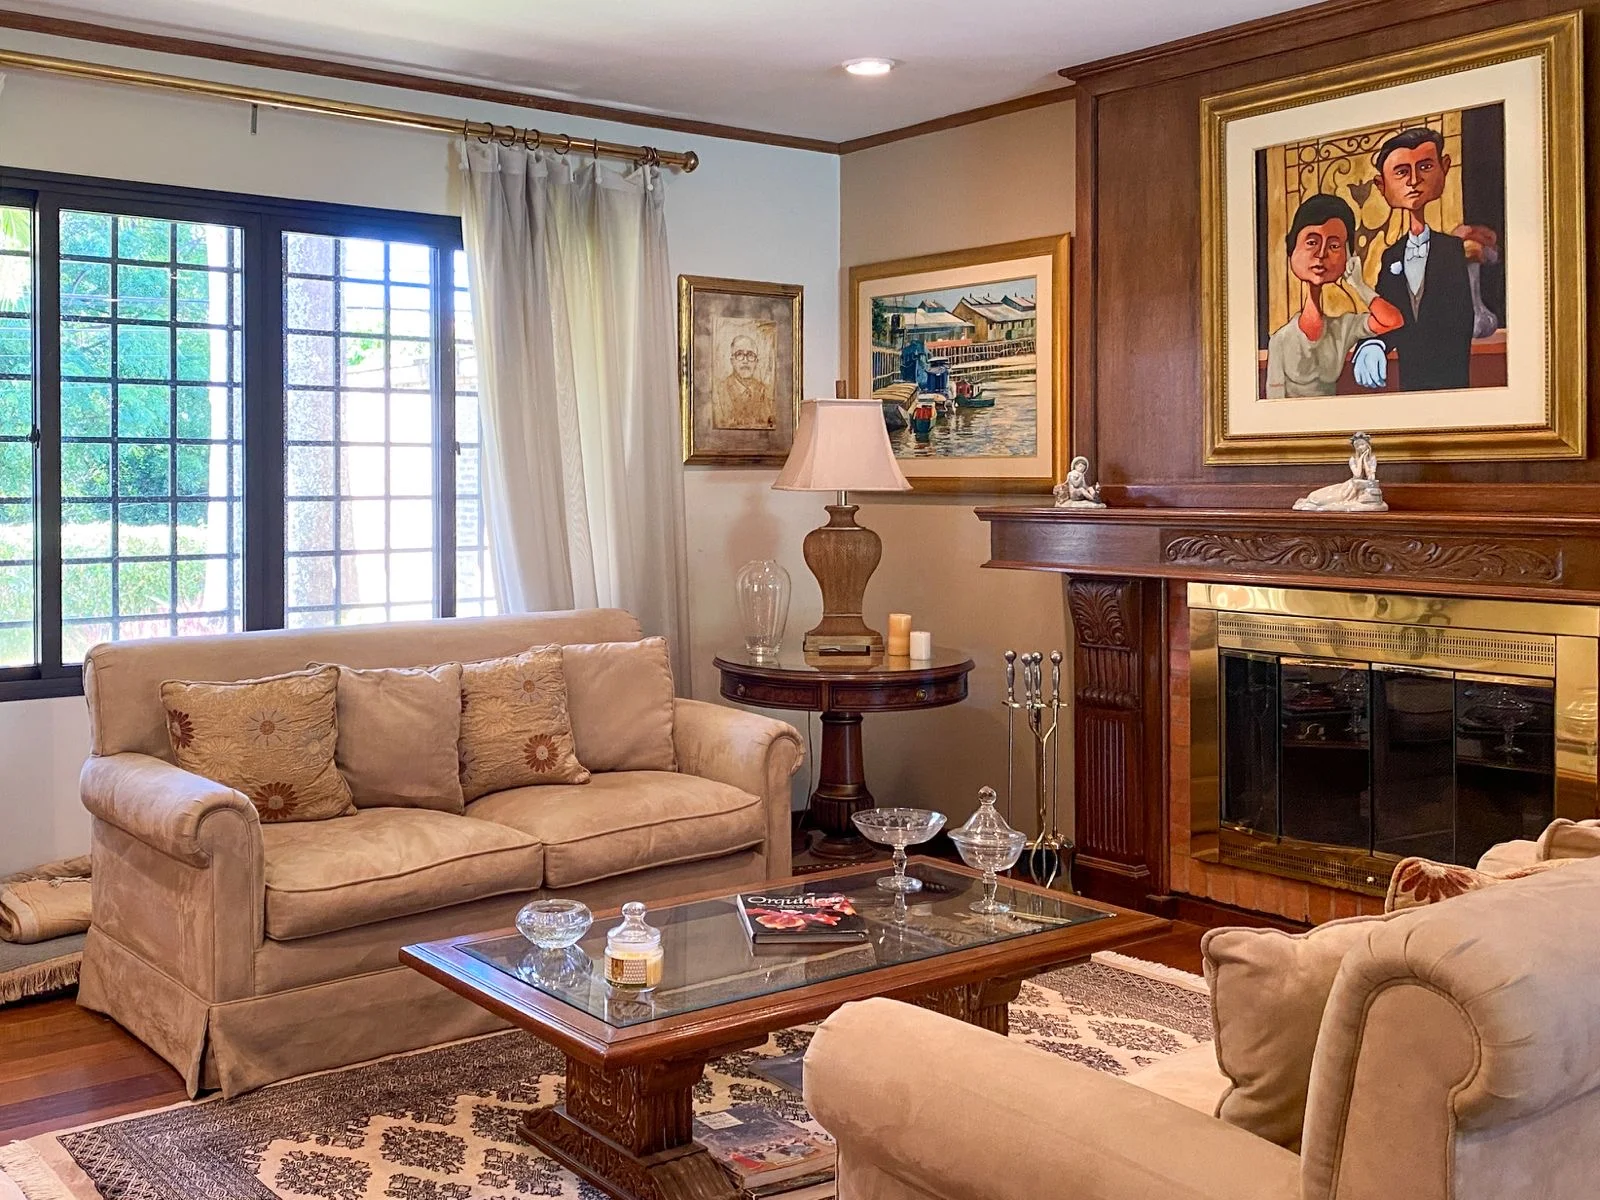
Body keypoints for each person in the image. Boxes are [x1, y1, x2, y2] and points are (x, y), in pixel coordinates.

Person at [1356, 126, 1478, 392]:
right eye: (1401, 172)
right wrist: (1374, 343)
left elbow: (1468, 316)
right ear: (1381, 185)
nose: (1413, 180)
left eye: (1425, 167)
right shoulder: (1391, 256)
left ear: (1444, 168)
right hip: (1409, 386)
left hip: (1454, 383)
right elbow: (1389, 314)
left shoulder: (1455, 250)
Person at [1265, 194, 1404, 398]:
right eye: (1311, 242)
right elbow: (1273, 403)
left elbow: (1393, 321)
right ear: (1292, 248)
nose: (1321, 254)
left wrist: (1359, 285)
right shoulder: (1281, 340)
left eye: (1334, 246)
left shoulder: (1343, 329)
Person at [711, 333, 774, 430]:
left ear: (756, 362)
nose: (745, 361)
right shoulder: (719, 392)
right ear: (732, 361)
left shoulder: (765, 392)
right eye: (739, 354)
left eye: (750, 355)